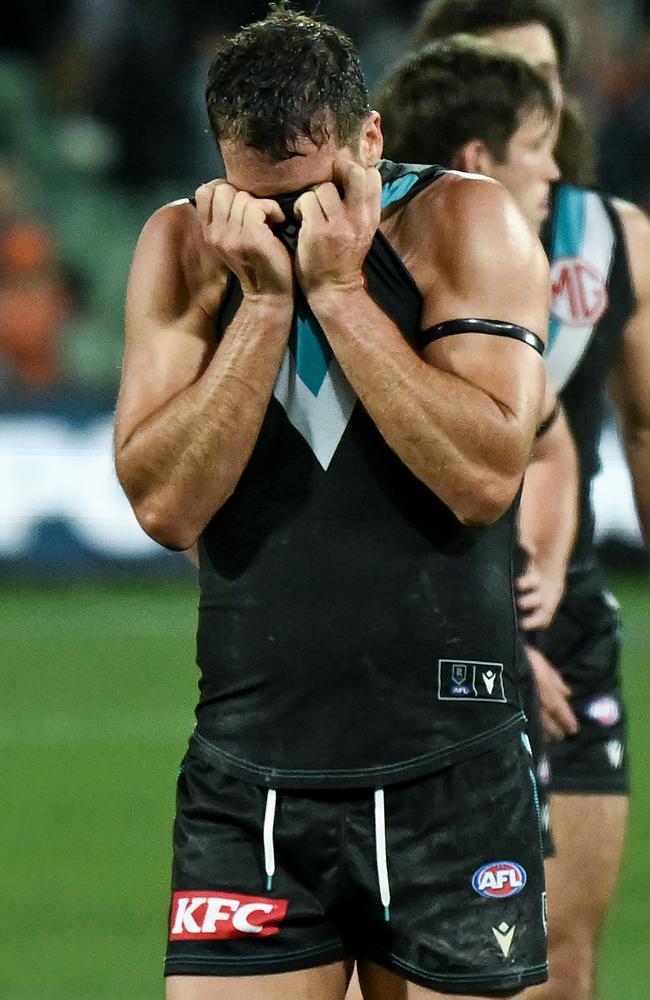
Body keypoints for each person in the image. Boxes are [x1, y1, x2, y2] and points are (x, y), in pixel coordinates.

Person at [114, 6, 553, 999]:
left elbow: (483, 476)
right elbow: (164, 506)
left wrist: (342, 296)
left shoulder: (464, 221)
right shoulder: (184, 246)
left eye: (315, 195)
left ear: (370, 139)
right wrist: (267, 305)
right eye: (260, 200)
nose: (294, 223)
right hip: (249, 777)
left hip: (450, 772)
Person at [408, 5, 650, 1000]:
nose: (538, 95)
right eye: (512, 74)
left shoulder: (612, 234)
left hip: (568, 616)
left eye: (547, 74)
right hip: (429, 627)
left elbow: (638, 428)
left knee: (560, 968)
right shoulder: (392, 245)